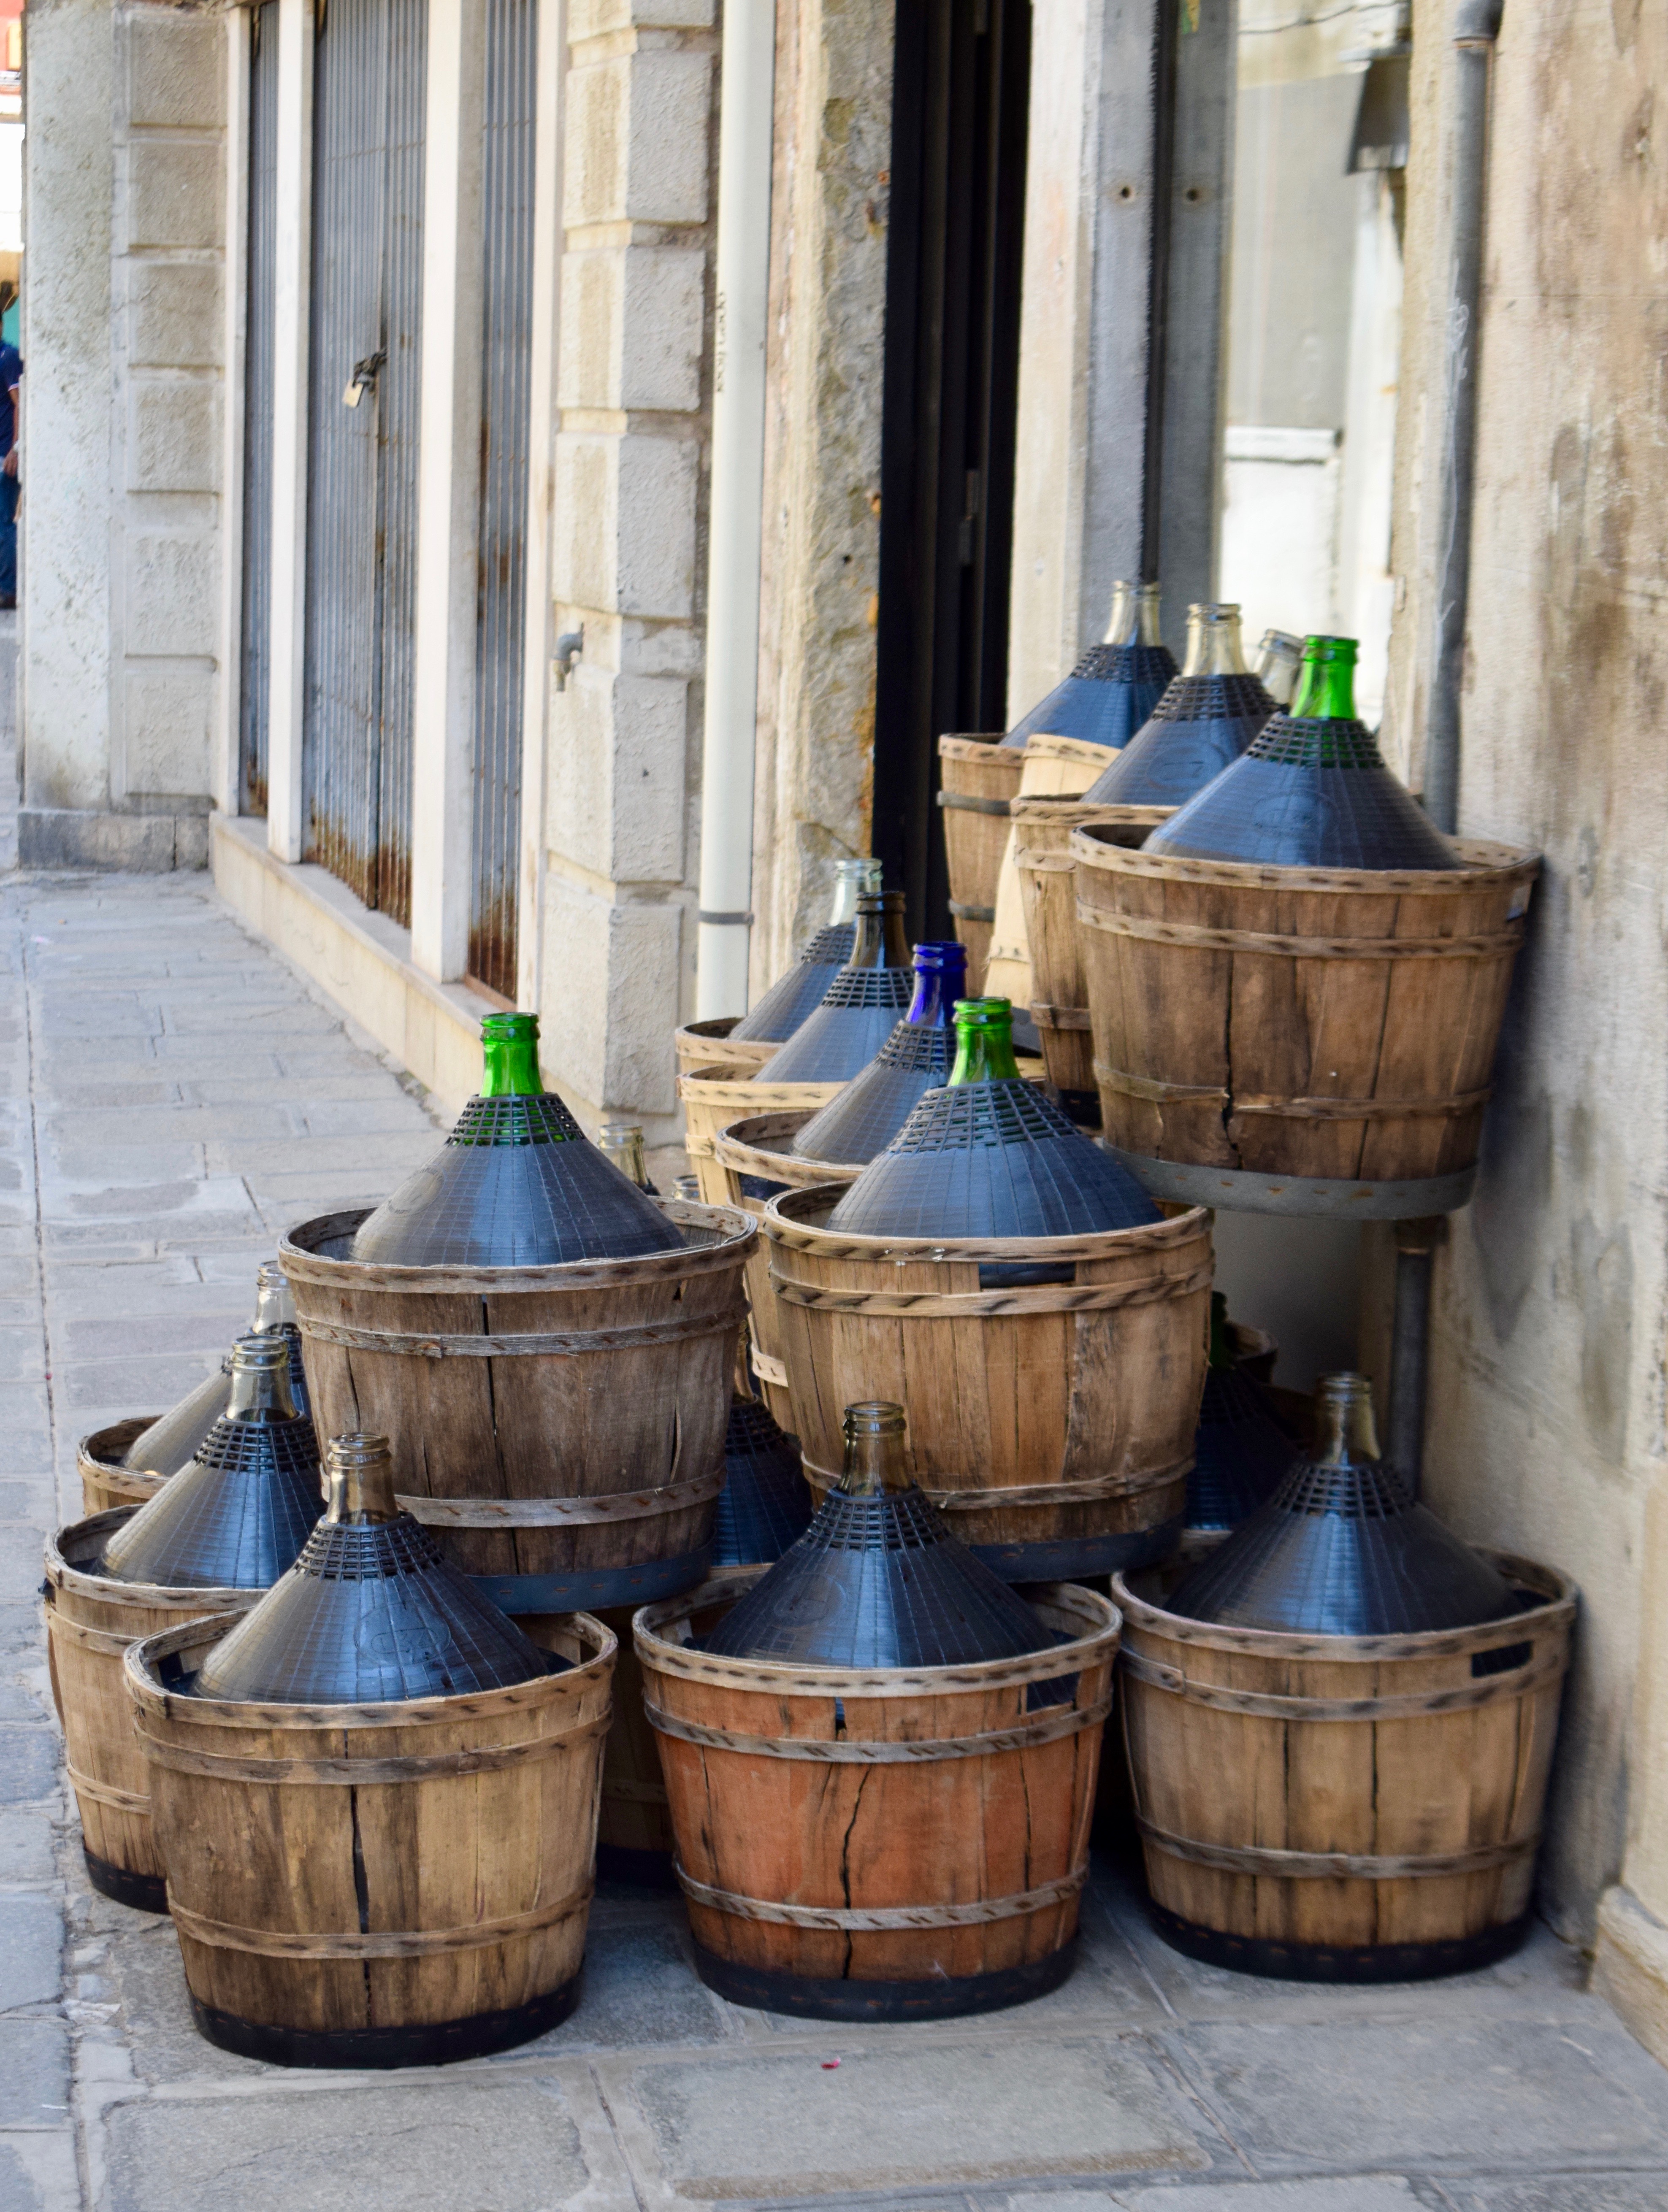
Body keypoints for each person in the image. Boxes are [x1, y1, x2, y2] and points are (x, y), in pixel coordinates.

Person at [0, 312, 22, 611]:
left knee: (5, 522)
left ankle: (8, 590)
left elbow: (22, 404)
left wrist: (16, 448)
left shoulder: (8, 357)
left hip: (5, 455)